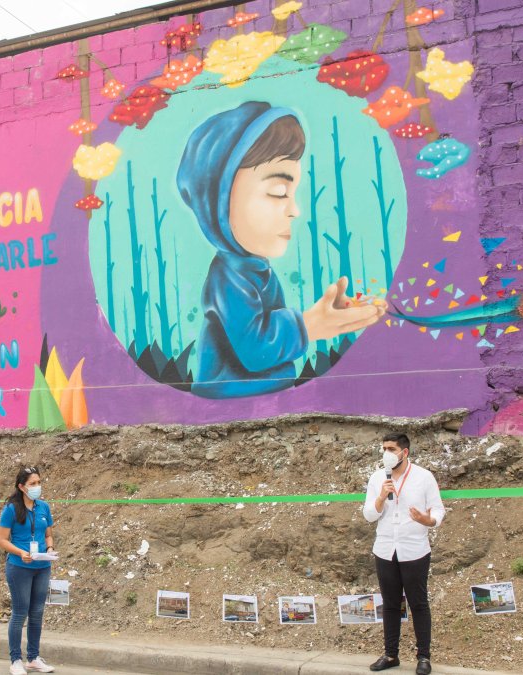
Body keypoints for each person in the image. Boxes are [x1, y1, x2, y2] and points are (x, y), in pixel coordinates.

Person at [176, 100, 385, 399]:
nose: (295, 210)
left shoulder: (255, 269)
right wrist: (310, 325)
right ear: (218, 201)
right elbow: (255, 350)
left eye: (293, 193)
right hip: (230, 405)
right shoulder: (228, 277)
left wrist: (326, 316)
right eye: (278, 192)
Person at [362, 433, 445, 675]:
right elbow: (369, 515)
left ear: (404, 452)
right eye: (384, 448)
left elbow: (438, 509)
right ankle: (391, 654)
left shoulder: (424, 477)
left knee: (418, 603)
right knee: (390, 604)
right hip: (385, 549)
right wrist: (381, 497)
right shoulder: (377, 478)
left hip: (414, 549)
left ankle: (424, 657)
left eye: (391, 449)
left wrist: (428, 520)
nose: (386, 453)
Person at [0, 467, 57, 675]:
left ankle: (33, 658)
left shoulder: (44, 507)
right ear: (22, 487)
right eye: (32, 484)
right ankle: (15, 660)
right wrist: (21, 552)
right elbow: (2, 541)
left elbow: (48, 535)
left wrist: (49, 548)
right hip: (19, 567)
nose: (37, 487)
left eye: (39, 482)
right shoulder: (11, 509)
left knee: (37, 613)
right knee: (20, 612)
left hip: (42, 567)